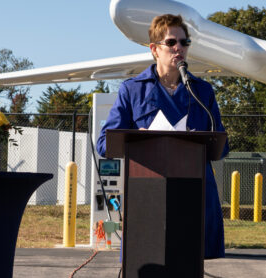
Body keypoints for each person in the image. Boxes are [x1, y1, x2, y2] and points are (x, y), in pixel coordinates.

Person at [97, 13, 229, 259]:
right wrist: (136, 138)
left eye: (184, 42)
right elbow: (104, 144)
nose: (179, 48)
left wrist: (199, 140)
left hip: (194, 195)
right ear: (154, 49)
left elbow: (221, 146)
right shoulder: (132, 90)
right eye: (171, 42)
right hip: (148, 193)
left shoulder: (202, 91)